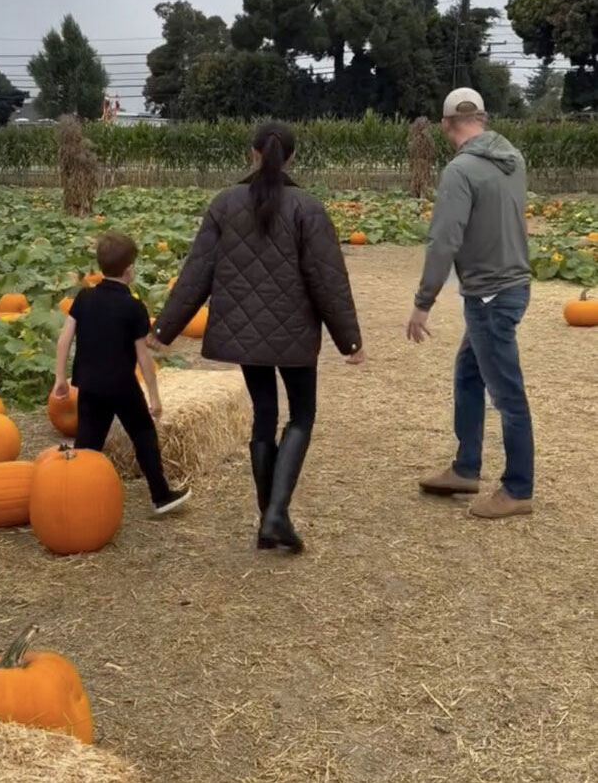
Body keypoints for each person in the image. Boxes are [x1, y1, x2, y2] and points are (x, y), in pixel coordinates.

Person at [149, 121, 365, 553]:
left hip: (246, 333)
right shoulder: (308, 208)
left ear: (252, 154)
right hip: (296, 333)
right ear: (292, 158)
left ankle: (271, 517)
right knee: (302, 415)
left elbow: (197, 272)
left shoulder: (225, 204)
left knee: (264, 411)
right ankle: (275, 515)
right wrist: (349, 340)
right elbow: (328, 279)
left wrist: (164, 328)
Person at [408, 88, 534, 519]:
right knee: (468, 374)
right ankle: (466, 467)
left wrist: (423, 301)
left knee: (507, 393)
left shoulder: (460, 170)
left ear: (446, 125)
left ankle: (518, 489)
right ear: (483, 117)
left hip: (489, 294)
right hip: (514, 283)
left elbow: (445, 239)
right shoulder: (513, 158)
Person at [54, 231, 191, 515]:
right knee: (143, 433)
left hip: (88, 384)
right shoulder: (133, 307)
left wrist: (59, 378)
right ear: (129, 270)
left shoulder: (84, 297)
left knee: (87, 444)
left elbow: (64, 340)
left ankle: (74, 499)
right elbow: (143, 357)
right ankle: (160, 495)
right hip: (121, 386)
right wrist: (154, 397)